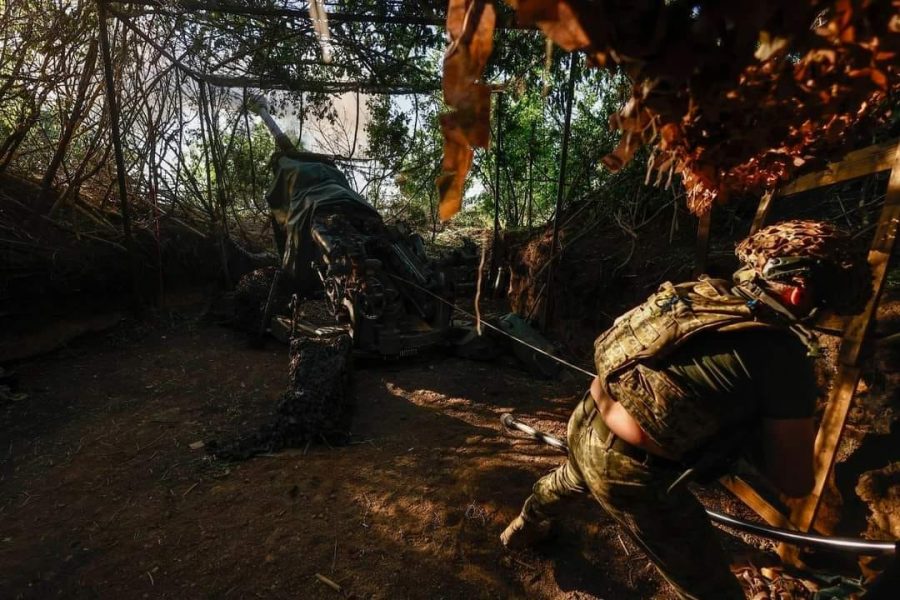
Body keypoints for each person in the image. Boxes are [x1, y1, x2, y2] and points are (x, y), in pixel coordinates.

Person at [500, 220, 871, 599]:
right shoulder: (783, 357)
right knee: (711, 588)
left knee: (566, 480)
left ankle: (524, 527)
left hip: (586, 418)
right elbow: (795, 482)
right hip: (629, 473)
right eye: (823, 306)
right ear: (798, 294)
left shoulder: (702, 293)